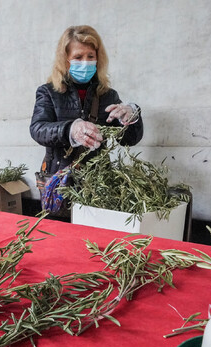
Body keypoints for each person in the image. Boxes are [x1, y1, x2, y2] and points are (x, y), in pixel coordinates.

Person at [29, 25, 144, 214]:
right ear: (65, 60)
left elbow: (129, 140)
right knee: (61, 235)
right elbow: (38, 128)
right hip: (59, 180)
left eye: (91, 56)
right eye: (78, 57)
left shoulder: (108, 95)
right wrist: (70, 130)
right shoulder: (48, 92)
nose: (85, 62)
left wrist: (131, 115)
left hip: (97, 184)